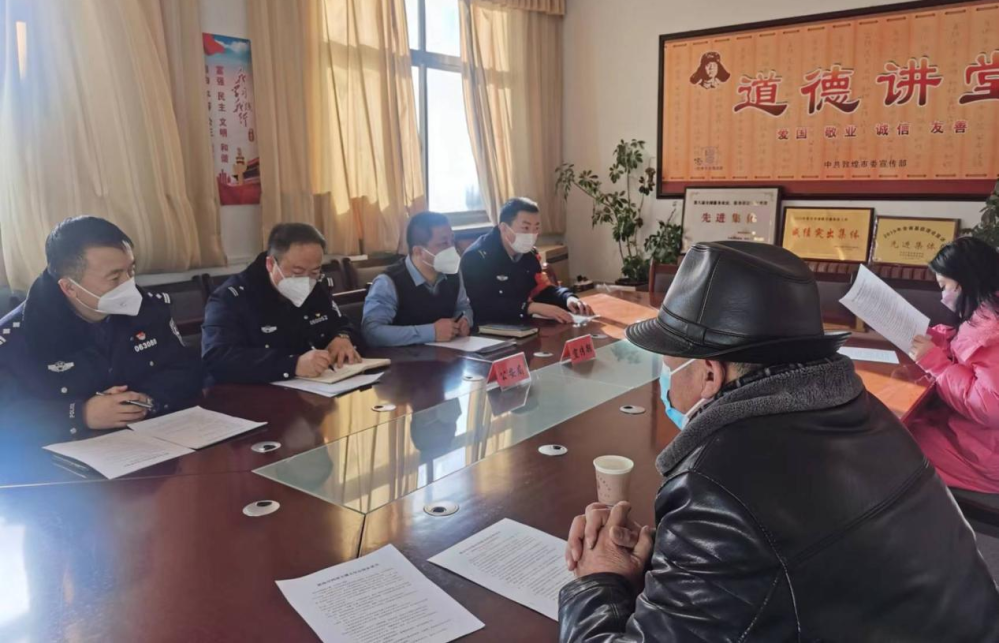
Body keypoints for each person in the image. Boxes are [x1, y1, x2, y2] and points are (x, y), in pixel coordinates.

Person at [559, 241, 999, 642]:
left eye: (668, 365)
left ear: (710, 374)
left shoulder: (717, 486)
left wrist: (600, 580)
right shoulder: (868, 413)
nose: (665, 380)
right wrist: (675, 558)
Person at [0, 216, 203, 441]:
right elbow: (6, 416)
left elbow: (188, 369)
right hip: (61, 453)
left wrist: (147, 399)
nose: (129, 285)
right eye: (114, 277)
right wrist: (81, 415)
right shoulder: (15, 338)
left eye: (131, 270)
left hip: (150, 441)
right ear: (69, 288)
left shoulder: (148, 308)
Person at [202, 223, 361, 385]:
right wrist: (292, 365)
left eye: (314, 272)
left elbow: (343, 324)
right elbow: (218, 358)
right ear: (271, 264)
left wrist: (342, 337)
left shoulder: (316, 287)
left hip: (317, 387)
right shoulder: (231, 298)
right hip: (253, 393)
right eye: (297, 272)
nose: (306, 281)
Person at [908, 236, 999, 493]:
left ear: (964, 282)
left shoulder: (992, 331)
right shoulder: (988, 313)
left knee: (893, 443)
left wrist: (936, 364)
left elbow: (991, 407)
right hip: (978, 437)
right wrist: (943, 340)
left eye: (944, 286)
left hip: (986, 452)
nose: (943, 295)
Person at [460, 197, 592, 325]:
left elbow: (542, 290)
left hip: (524, 326)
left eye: (536, 228)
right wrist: (530, 307)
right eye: (525, 228)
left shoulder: (529, 255)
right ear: (504, 228)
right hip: (489, 331)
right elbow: (481, 306)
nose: (531, 235)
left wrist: (567, 298)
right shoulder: (476, 257)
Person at [362, 212, 473, 347]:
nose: (452, 248)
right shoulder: (388, 282)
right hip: (404, 357)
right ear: (418, 251)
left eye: (452, 240)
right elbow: (372, 332)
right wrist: (431, 332)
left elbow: (463, 307)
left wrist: (465, 320)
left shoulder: (452, 271)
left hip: (449, 353)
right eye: (443, 243)